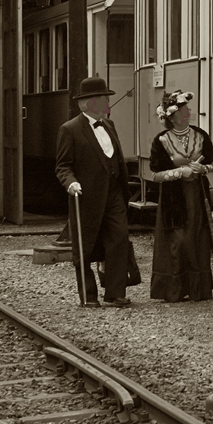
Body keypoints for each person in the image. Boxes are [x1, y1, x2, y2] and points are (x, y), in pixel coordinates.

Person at [55, 76, 133, 308]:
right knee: (84, 247)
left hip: (114, 194)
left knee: (119, 239)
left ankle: (115, 293)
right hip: (86, 197)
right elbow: (62, 166)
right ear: (89, 103)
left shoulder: (109, 125)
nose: (109, 103)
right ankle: (88, 296)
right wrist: (70, 183)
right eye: (104, 99)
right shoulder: (69, 129)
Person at [149, 89, 213, 302]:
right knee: (181, 241)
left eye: (188, 108)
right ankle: (174, 289)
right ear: (172, 116)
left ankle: (199, 290)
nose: (188, 112)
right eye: (183, 109)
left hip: (197, 195)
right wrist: (179, 172)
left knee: (198, 240)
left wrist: (202, 169)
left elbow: (212, 163)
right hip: (174, 199)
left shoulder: (200, 135)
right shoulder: (161, 141)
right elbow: (155, 175)